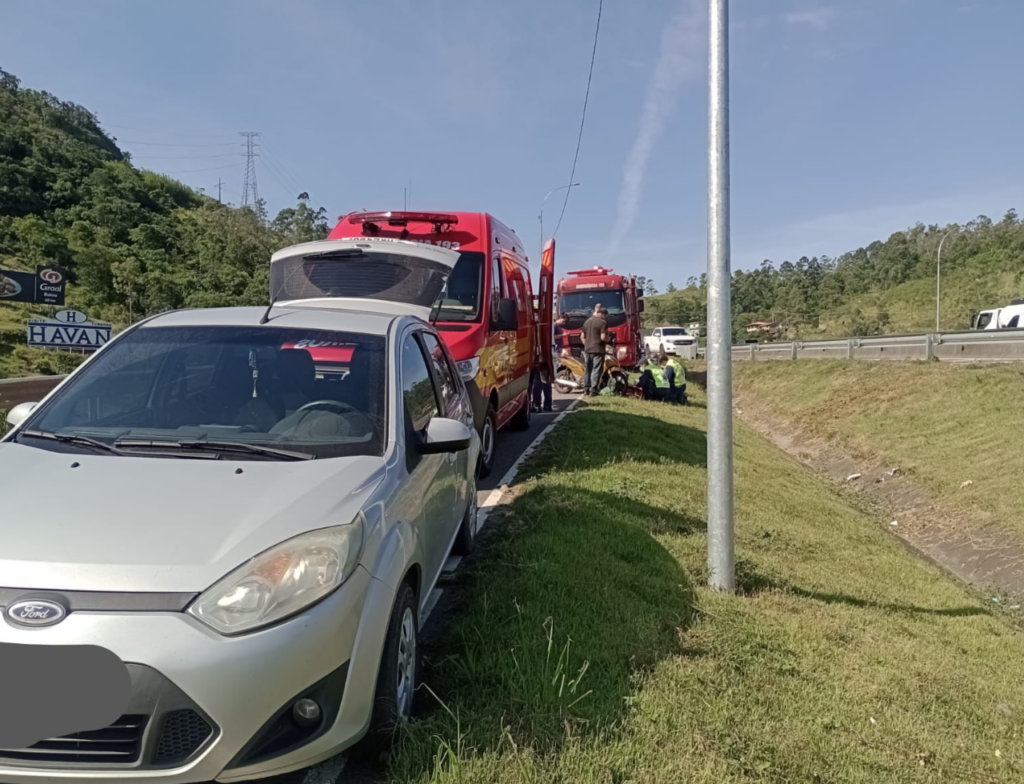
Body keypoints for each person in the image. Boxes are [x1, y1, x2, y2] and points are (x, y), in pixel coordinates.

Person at [581, 306, 608, 396]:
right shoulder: (602, 323)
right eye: (605, 316)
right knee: (596, 369)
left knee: (588, 369)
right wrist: (609, 338)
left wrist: (587, 344)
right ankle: (594, 390)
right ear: (603, 314)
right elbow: (603, 337)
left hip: (587, 349)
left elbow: (582, 337)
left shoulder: (587, 322)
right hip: (598, 349)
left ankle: (586, 389)